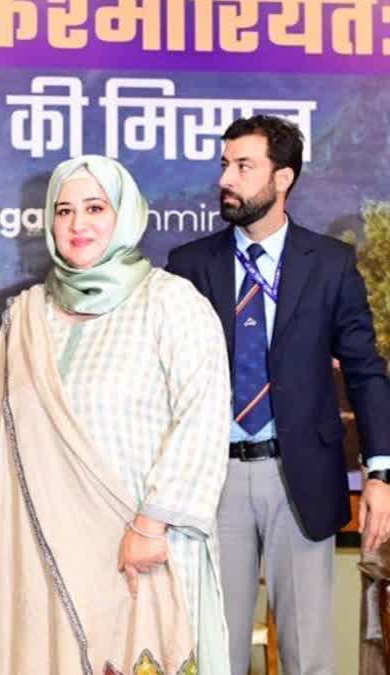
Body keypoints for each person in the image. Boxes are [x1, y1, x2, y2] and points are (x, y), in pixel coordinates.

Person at [0, 155, 231, 673]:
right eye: (64, 210)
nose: (78, 224)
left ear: (125, 214)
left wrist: (152, 524)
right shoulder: (26, 315)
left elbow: (202, 418)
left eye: (95, 207)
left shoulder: (170, 303)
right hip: (40, 559)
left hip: (138, 551)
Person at [167, 114, 390, 675]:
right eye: (225, 165)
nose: (228, 178)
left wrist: (380, 475)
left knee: (307, 656)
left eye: (244, 166)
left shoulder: (331, 264)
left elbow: (365, 371)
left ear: (282, 177)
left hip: (300, 476)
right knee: (214, 655)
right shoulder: (189, 266)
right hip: (212, 478)